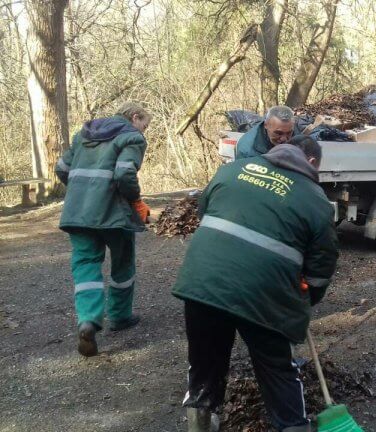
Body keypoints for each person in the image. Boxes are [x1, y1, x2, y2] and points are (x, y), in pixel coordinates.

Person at [173, 135, 339, 432]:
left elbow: (205, 214)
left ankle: (200, 418)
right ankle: (292, 426)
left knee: (205, 360)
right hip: (264, 295)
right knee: (277, 368)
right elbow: (321, 268)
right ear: (311, 162)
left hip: (203, 283)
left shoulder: (232, 170)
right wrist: (307, 296)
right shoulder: (316, 201)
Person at [55, 101, 152, 357]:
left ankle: (88, 320)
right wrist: (136, 202)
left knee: (86, 263)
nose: (144, 131)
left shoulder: (83, 134)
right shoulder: (132, 138)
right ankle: (120, 316)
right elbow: (124, 175)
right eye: (145, 125)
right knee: (122, 263)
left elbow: (61, 169)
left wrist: (81, 189)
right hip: (113, 214)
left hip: (77, 213)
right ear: (135, 117)